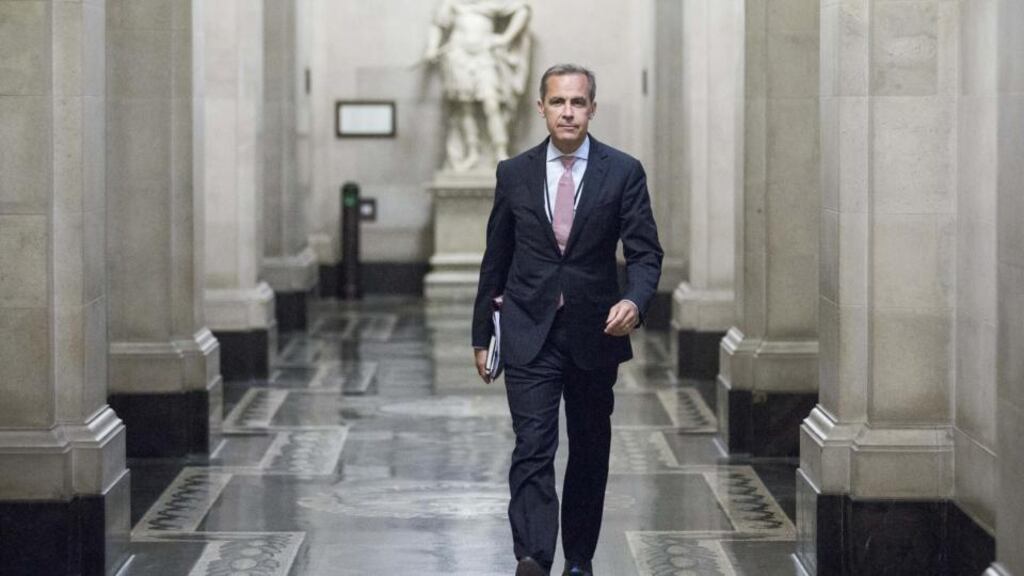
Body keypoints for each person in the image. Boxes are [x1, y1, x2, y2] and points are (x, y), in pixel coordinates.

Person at [471, 64, 663, 576]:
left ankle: (578, 559)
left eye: (578, 102)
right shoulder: (514, 173)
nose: (568, 112)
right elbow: (496, 258)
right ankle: (533, 555)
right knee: (532, 445)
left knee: (589, 449)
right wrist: (480, 334)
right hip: (527, 331)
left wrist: (635, 302)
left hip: (595, 333)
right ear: (541, 108)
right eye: (558, 102)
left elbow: (645, 254)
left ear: (592, 108)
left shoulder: (623, 171)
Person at [425, 0, 531, 172]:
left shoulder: (492, 3)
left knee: (491, 103)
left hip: (484, 55)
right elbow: (438, 25)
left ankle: (500, 151)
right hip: (458, 55)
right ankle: (472, 152)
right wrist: (431, 47)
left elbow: (523, 10)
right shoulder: (452, 3)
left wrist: (505, 38)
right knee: (465, 107)